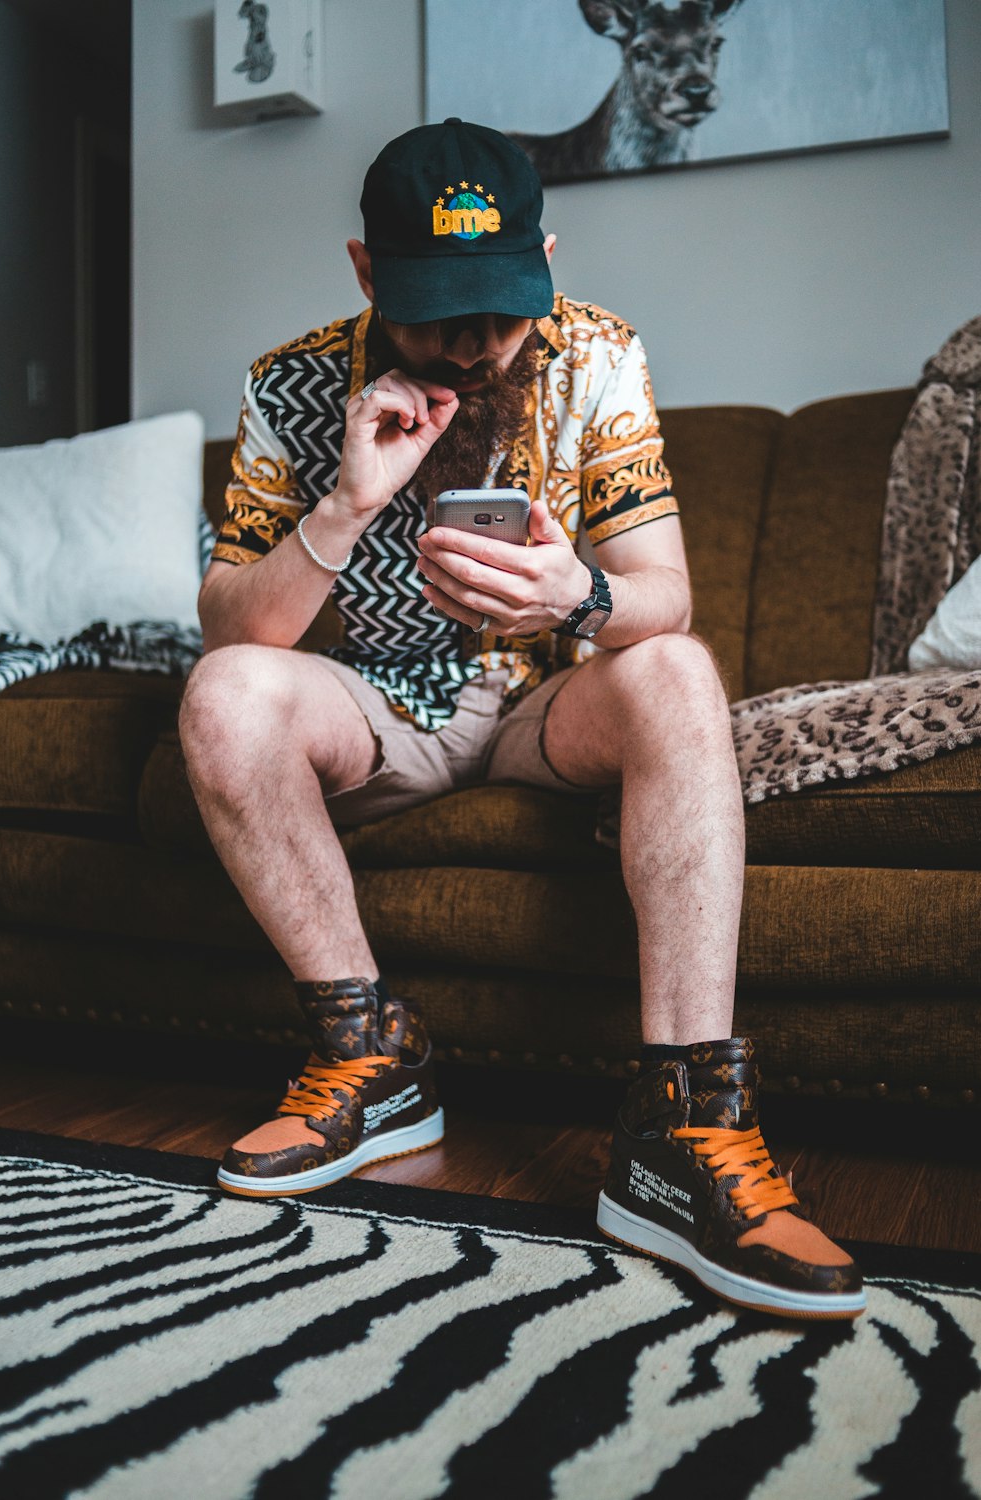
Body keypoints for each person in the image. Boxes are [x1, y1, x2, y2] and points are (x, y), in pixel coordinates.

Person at [180, 118, 864, 1320]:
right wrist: (345, 504)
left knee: (677, 668)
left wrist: (582, 595)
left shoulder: (597, 355)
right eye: (432, 313)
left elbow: (665, 595)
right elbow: (236, 630)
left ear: (546, 260)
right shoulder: (291, 383)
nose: (471, 349)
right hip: (371, 709)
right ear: (363, 273)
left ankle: (682, 1125)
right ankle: (372, 1058)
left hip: (539, 707)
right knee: (221, 695)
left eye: (500, 310)